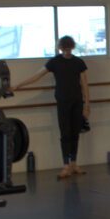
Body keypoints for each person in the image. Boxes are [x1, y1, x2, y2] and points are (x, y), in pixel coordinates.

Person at [13, 36, 90, 178]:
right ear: (60, 48)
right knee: (65, 133)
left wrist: (87, 105)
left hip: (77, 102)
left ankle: (74, 163)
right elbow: (37, 76)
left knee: (75, 133)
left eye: (69, 49)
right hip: (63, 102)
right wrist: (18, 85)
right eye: (64, 49)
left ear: (72, 47)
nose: (67, 51)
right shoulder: (54, 62)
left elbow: (84, 84)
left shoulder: (79, 62)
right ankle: (66, 165)